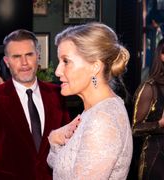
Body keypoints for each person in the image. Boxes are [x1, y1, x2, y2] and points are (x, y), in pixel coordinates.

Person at [0, 29, 71, 180]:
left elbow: (68, 146)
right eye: (16, 57)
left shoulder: (57, 94)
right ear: (7, 62)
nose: (24, 63)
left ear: (38, 56)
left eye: (29, 55)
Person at [47, 22, 133, 179]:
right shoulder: (95, 111)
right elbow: (64, 167)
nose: (58, 71)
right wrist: (54, 139)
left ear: (95, 67)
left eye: (66, 61)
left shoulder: (102, 121)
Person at [132, 38, 164, 180]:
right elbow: (135, 128)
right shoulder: (149, 88)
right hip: (155, 157)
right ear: (162, 56)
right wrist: (159, 124)